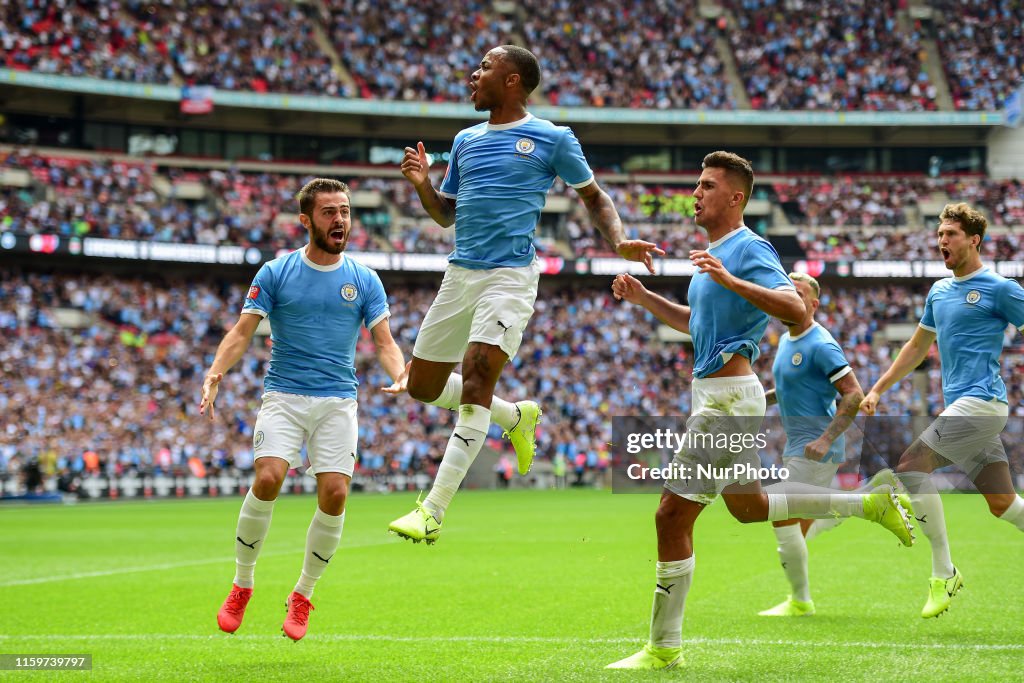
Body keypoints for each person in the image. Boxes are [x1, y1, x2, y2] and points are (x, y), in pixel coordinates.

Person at [606, 152, 914, 670]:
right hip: (719, 396)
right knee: (747, 507)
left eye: (707, 185)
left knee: (670, 514)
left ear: (736, 197)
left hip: (727, 401)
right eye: (696, 185)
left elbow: (793, 307)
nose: (696, 194)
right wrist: (644, 298)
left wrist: (730, 280)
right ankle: (868, 505)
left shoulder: (749, 248)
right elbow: (697, 323)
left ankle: (663, 648)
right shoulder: (714, 254)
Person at [388, 45, 664, 544]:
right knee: (422, 387)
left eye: (485, 68)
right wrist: (422, 185)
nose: (473, 74)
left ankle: (432, 511)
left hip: (510, 276)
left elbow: (594, 197)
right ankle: (515, 415)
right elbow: (445, 214)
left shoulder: (553, 137)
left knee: (475, 378)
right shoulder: (466, 141)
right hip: (461, 274)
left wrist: (619, 241)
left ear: (513, 80)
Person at [200, 178, 406, 641]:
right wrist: (215, 372)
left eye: (346, 211)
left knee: (335, 493)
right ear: (306, 220)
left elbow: (384, 342)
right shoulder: (275, 273)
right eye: (330, 212)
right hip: (285, 396)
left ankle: (303, 595)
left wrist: (401, 373)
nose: (340, 220)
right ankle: (242, 584)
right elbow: (240, 332)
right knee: (268, 477)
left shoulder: (364, 279)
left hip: (337, 400)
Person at [861, 202, 1024, 618]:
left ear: (974, 239)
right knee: (1004, 504)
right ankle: (946, 571)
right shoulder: (938, 291)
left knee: (912, 463)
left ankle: (943, 572)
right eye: (939, 235)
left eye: (950, 234)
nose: (941, 242)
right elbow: (916, 347)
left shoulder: (1000, 288)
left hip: (983, 404)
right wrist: (878, 387)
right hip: (963, 408)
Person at [758, 272, 893, 617]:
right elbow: (788, 390)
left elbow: (853, 394)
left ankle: (868, 503)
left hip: (816, 446)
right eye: (786, 292)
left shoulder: (820, 343)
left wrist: (825, 439)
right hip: (798, 444)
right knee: (800, 525)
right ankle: (864, 501)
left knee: (780, 514)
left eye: (798, 294)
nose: (790, 298)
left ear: (814, 304)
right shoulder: (787, 341)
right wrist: (758, 400)